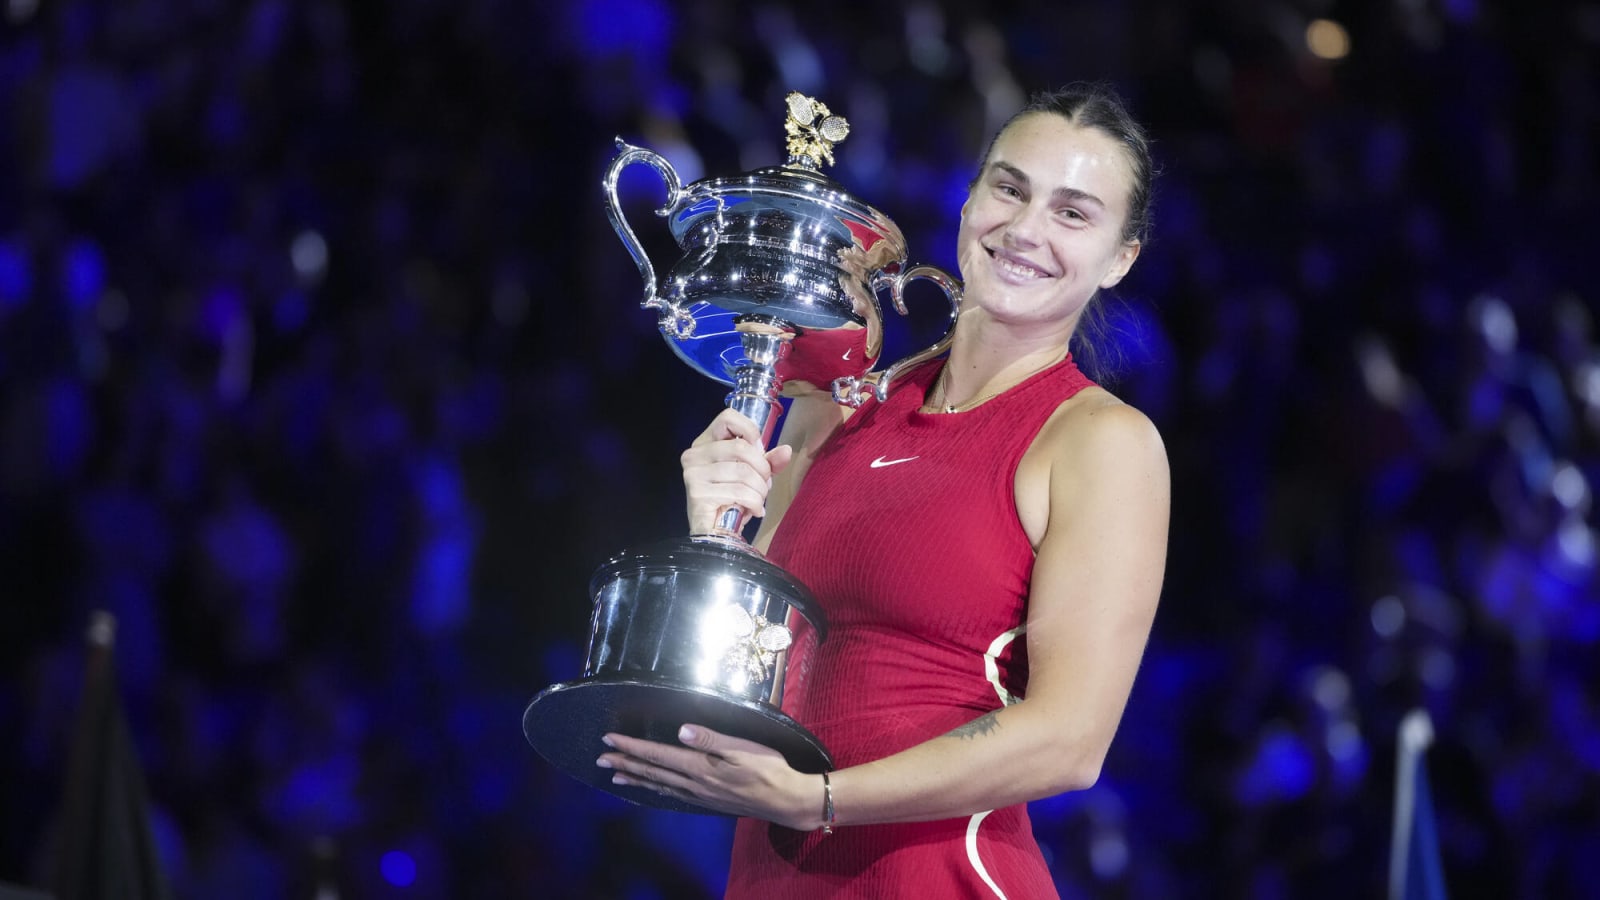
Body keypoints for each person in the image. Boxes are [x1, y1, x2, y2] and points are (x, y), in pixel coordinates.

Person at [597, 82, 1170, 898]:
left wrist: (818, 799)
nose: (1027, 229)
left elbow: (1069, 742)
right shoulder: (831, 405)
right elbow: (752, 664)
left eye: (1074, 213)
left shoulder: (1099, 442)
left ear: (1121, 257)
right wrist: (714, 534)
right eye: (1010, 188)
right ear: (971, 198)